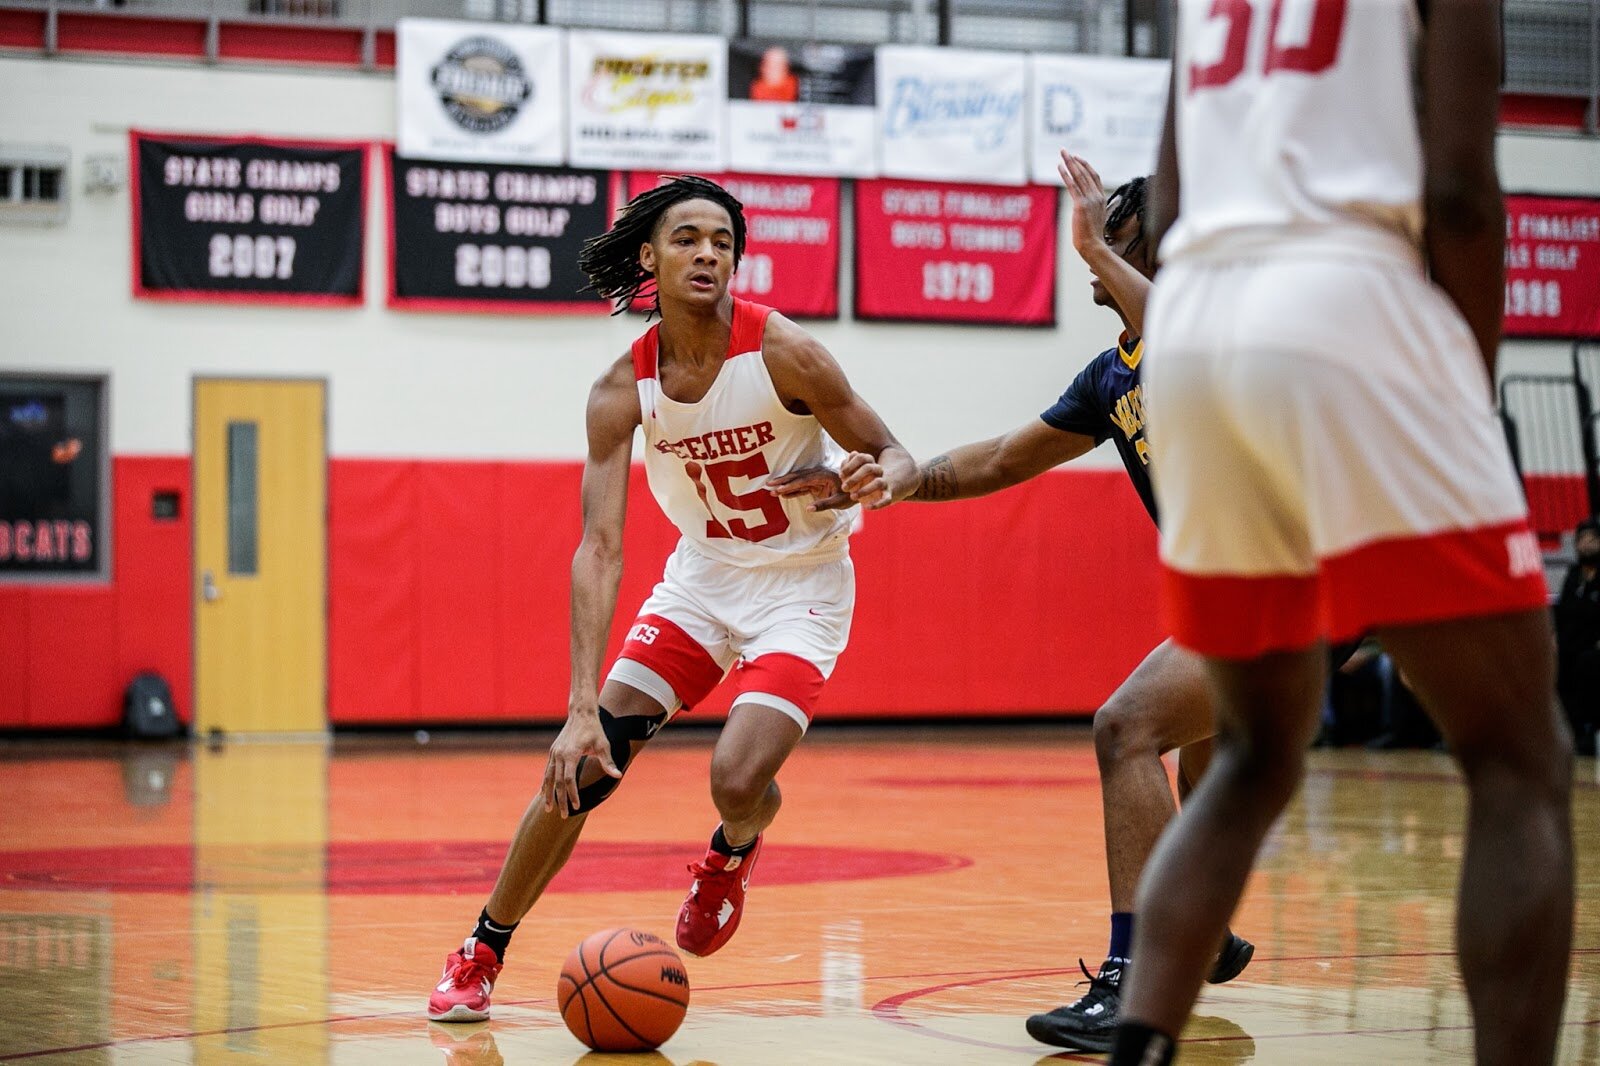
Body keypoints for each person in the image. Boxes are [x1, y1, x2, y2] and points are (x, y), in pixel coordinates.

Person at [1111, 4, 1574, 1065]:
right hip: (1346, 297)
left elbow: (1172, 204)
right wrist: (1465, 383)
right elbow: (1459, 189)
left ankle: (1137, 1049)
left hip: (1196, 335)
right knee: (1516, 755)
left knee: (1249, 758)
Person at [775, 154, 1255, 1054]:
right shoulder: (1112, 377)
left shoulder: (1222, 325)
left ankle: (1134, 981)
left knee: (1127, 729)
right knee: (1200, 752)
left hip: (1296, 574)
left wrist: (1095, 245)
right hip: (1227, 588)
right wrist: (896, 477)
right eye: (1099, 237)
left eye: (1117, 237)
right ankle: (1204, 924)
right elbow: (996, 461)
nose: (1094, 255)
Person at [427, 175, 919, 1022]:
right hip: (702, 578)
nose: (708, 254)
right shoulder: (624, 386)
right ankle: (481, 949)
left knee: (737, 777)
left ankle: (734, 849)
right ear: (650, 256)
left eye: (723, 242)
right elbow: (601, 546)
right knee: (580, 771)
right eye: (688, 238)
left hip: (801, 583)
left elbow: (898, 455)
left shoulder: (785, 352)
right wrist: (580, 706)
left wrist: (863, 479)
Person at [1556, 517, 1600, 755]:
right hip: (1569, 643)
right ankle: (1564, 730)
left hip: (1592, 647)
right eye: (1581, 539)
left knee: (1587, 663)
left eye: (1592, 540)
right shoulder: (1573, 575)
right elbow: (1561, 611)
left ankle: (1586, 730)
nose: (1586, 545)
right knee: (1556, 659)